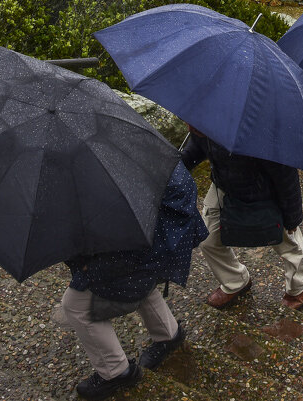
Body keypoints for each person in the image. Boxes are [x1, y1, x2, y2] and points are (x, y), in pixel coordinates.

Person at [55, 163, 207, 399]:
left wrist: (86, 269)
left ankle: (116, 372)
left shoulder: (112, 190)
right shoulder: (140, 151)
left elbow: (123, 256)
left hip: (144, 250)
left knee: (75, 305)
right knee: (140, 282)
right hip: (163, 241)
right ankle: (169, 334)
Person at [180, 124, 303, 309]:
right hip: (223, 186)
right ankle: (235, 281)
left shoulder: (261, 131)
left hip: (264, 192)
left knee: (287, 242)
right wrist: (174, 167)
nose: (189, 126)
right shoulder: (203, 122)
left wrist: (292, 217)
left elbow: (285, 176)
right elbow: (196, 148)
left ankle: (299, 284)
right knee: (207, 238)